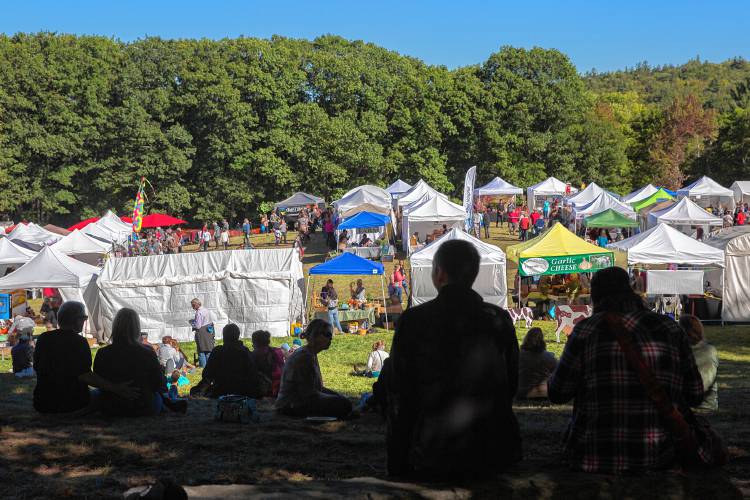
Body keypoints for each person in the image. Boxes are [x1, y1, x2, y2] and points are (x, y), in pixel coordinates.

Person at [547, 267, 705, 473]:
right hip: (658, 455)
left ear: (595, 297)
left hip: (592, 455)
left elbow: (557, 393)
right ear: (631, 290)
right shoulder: (670, 328)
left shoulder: (586, 330)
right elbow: (695, 394)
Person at [385, 239, 521, 479]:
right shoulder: (497, 318)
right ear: (474, 275)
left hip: (433, 450)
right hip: (493, 448)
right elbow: (511, 383)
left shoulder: (415, 320)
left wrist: (398, 461)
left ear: (439, 274)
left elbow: (400, 391)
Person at [33, 301, 139, 414]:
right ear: (76, 320)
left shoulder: (43, 339)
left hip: (42, 402)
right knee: (103, 395)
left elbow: (37, 367)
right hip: (71, 403)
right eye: (84, 318)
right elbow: (85, 375)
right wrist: (116, 388)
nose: (84, 322)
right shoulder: (78, 342)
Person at [93, 308, 185, 416]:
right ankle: (169, 403)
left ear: (115, 327)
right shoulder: (147, 352)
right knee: (159, 396)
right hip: (145, 406)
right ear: (137, 328)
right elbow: (159, 384)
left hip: (112, 407)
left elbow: (98, 382)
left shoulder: (102, 353)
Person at [276, 319, 352, 418]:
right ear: (315, 335)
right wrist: (339, 399)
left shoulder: (310, 353)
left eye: (331, 335)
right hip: (291, 406)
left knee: (343, 401)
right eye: (327, 334)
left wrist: (338, 396)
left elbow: (316, 388)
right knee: (344, 405)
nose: (330, 338)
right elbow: (308, 394)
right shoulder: (304, 357)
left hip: (297, 401)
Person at [192, 324, 261, 399]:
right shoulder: (245, 351)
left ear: (224, 337)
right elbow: (253, 375)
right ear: (237, 336)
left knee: (193, 391)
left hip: (222, 391)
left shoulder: (218, 351)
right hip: (243, 391)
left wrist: (199, 391)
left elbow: (207, 377)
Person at [679, 315, 719, 411]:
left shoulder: (707, 352)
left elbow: (703, 385)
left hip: (702, 408)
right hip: (683, 406)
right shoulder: (680, 349)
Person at [516, 328, 558, 399]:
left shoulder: (518, 356)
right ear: (542, 340)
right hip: (543, 393)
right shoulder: (548, 357)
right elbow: (558, 372)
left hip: (522, 392)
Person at [251, 330, 285, 397]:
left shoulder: (255, 355)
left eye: (253, 343)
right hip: (280, 389)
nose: (253, 346)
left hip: (271, 390)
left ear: (256, 344)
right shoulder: (277, 351)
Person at [190, 298, 214, 367]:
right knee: (209, 349)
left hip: (202, 333)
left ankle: (203, 367)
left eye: (193, 306)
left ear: (196, 305)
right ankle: (210, 365)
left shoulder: (198, 313)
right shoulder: (206, 310)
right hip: (209, 331)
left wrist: (192, 322)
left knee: (201, 350)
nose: (193, 307)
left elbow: (198, 326)